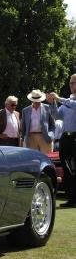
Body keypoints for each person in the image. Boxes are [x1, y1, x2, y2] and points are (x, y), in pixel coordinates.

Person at [48, 74, 76, 207]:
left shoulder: (69, 101)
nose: (71, 85)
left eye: (74, 83)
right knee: (67, 168)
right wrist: (52, 102)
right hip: (66, 138)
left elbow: (73, 105)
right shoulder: (67, 101)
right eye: (70, 83)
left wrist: (58, 98)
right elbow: (56, 115)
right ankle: (72, 199)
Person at [21, 89, 55, 153]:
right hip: (31, 138)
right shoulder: (25, 110)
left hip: (45, 137)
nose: (37, 102)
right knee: (32, 159)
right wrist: (23, 138)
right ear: (32, 100)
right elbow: (23, 126)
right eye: (35, 101)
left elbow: (53, 125)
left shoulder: (48, 108)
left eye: (38, 100)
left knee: (46, 158)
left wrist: (51, 135)